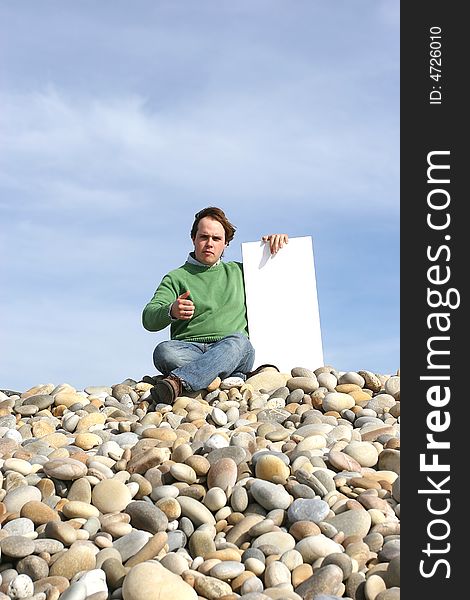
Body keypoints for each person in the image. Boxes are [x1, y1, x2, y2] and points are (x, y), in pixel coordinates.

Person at [142, 206, 288, 404]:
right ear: (193, 238)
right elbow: (149, 318)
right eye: (204, 237)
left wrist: (275, 249)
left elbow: (281, 283)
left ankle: (179, 382)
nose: (209, 244)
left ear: (226, 243)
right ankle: (230, 375)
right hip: (188, 348)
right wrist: (171, 310)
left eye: (216, 239)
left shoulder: (241, 272)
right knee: (164, 351)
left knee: (238, 342)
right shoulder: (176, 277)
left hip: (231, 345)